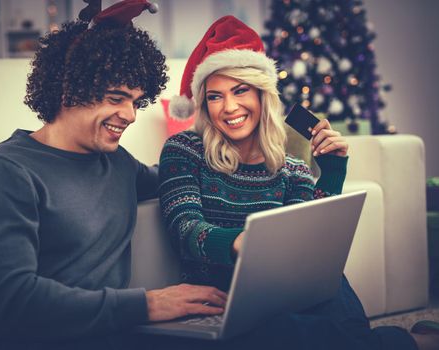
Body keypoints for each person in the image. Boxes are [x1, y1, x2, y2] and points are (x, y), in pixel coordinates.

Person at [0, 2, 229, 349]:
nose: (130, 115)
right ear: (69, 88)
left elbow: (180, 176)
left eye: (136, 102)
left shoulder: (118, 164)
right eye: (117, 98)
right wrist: (149, 304)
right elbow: (12, 305)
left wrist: (267, 149)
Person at [159, 15, 439, 350]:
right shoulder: (184, 150)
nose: (229, 107)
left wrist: (333, 172)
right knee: (290, 332)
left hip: (290, 292)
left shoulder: (291, 168)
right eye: (215, 96)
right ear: (203, 103)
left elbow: (311, 244)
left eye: (240, 90)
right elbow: (185, 228)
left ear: (263, 94)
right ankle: (414, 342)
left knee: (335, 297)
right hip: (224, 299)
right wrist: (240, 242)